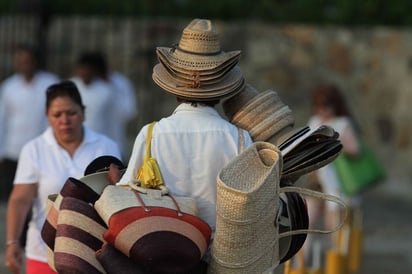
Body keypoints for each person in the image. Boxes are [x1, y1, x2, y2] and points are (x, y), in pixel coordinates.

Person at [108, 18, 253, 272]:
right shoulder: (239, 139)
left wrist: (115, 178)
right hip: (219, 259)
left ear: (174, 88)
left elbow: (127, 196)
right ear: (220, 90)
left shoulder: (152, 134)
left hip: (160, 256)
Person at [5, 80, 121, 274]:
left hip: (93, 254)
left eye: (71, 113)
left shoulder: (106, 146)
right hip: (43, 253)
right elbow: (20, 200)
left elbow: (116, 196)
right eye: (57, 115)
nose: (64, 120)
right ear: (47, 116)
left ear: (83, 113)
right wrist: (12, 242)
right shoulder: (34, 150)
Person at [0, 44, 59, 201]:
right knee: (17, 197)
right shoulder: (9, 87)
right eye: (21, 61)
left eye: (28, 60)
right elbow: (2, 119)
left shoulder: (50, 83)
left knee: (41, 195)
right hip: (14, 150)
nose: (25, 64)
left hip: (42, 148)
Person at [70, 52, 116, 141]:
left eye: (88, 69)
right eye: (82, 69)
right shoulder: (70, 86)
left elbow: (112, 119)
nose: (85, 72)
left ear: (94, 70)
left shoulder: (105, 90)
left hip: (99, 137)